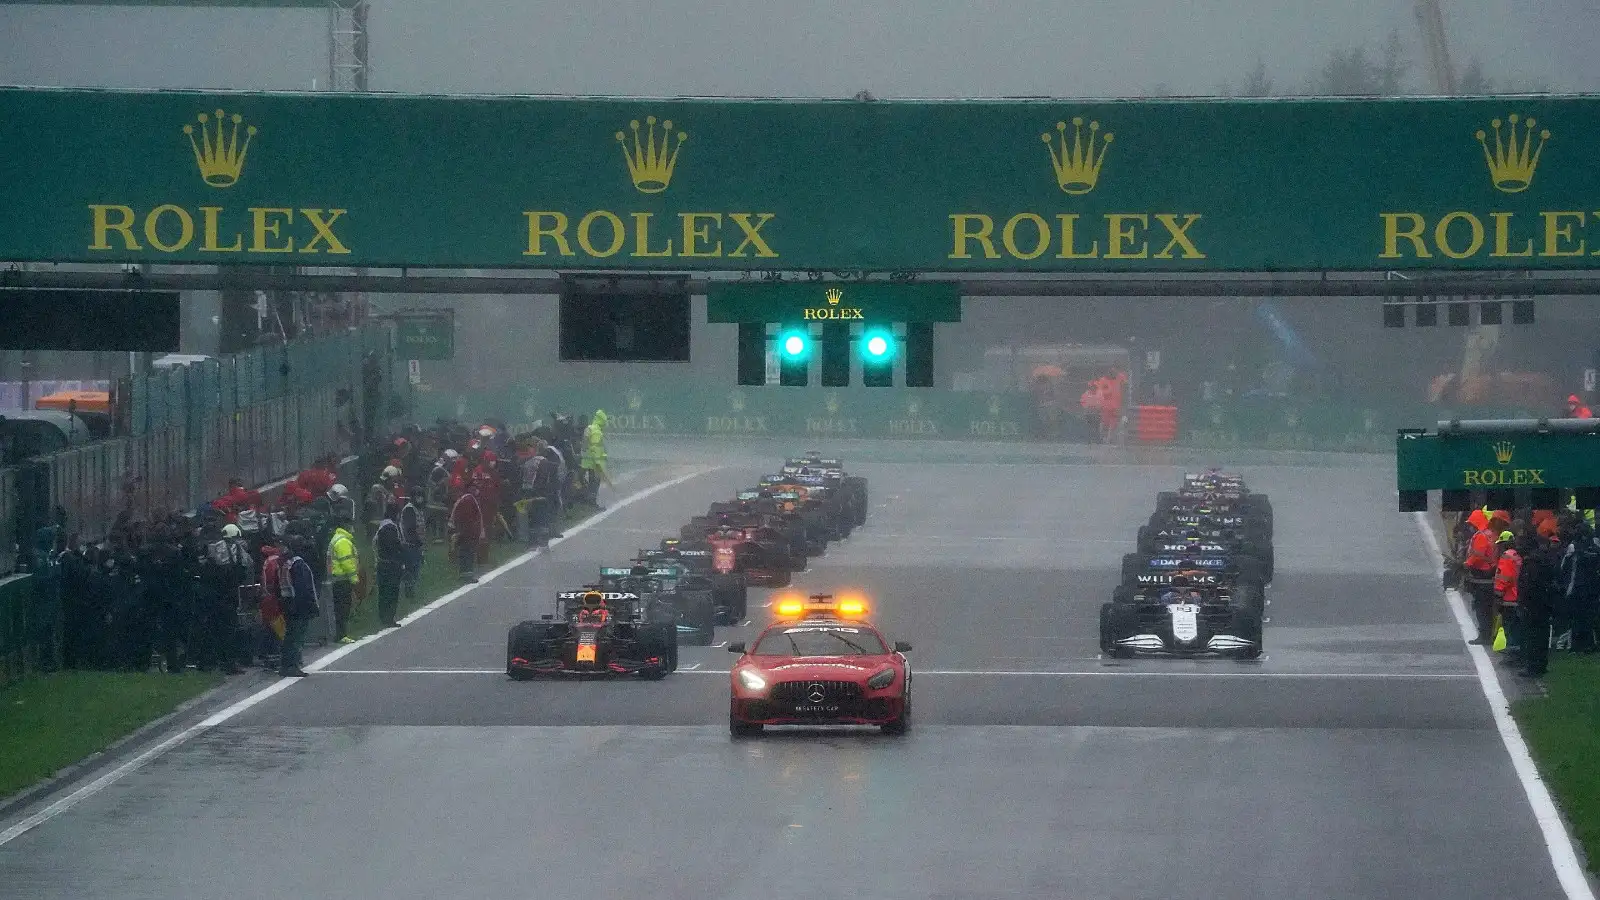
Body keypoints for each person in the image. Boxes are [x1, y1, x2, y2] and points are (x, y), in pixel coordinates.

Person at [1517, 525, 1565, 678]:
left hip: (1533, 604)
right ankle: (1541, 664)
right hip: (1545, 603)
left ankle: (1532, 666)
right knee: (1543, 635)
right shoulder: (1547, 558)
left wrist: (1522, 601)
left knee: (1532, 636)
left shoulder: (1532, 562)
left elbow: (1527, 585)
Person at [1462, 509, 1507, 645]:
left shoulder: (1481, 536)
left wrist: (1465, 564)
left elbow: (1477, 555)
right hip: (1490, 575)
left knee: (1482, 607)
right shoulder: (1493, 535)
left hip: (1482, 576)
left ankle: (1485, 635)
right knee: (1487, 607)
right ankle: (1488, 633)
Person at [278, 539, 320, 677]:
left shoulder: (285, 563)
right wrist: (310, 606)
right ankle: (292, 664)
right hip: (298, 606)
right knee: (296, 636)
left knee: (290, 635)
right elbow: (304, 588)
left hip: (287, 603)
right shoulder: (299, 564)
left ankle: (287, 664)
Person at [1560, 515, 1600, 653]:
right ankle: (1589, 644)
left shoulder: (1573, 546)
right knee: (1589, 617)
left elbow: (1564, 566)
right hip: (1592, 587)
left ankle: (1577, 645)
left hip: (1577, 587)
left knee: (1576, 618)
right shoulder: (1595, 546)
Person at [372, 502, 405, 629]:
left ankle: (384, 617)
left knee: (383, 592)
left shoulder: (383, 525)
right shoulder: (390, 527)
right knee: (391, 592)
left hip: (382, 564)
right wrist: (401, 548)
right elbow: (392, 546)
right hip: (390, 565)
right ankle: (388, 618)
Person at [327, 517, 360, 644]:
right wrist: (354, 578)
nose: (353, 528)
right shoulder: (342, 541)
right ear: (346, 526)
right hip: (342, 580)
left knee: (339, 608)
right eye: (351, 525)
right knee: (343, 609)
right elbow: (346, 561)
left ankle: (340, 634)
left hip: (337, 580)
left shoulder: (337, 538)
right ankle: (341, 635)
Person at [1493, 530, 1522, 664]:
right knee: (1516, 627)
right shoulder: (1518, 556)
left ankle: (1512, 656)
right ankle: (1518, 654)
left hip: (1509, 598)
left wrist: (1498, 594)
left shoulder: (1506, 557)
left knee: (1509, 627)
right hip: (1519, 596)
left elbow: (1503, 577)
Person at [450, 485, 485, 583]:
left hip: (466, 532)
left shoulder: (468, 499)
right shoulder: (468, 500)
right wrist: (469, 532)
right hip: (467, 532)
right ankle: (467, 576)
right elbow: (467, 518)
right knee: (467, 553)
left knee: (466, 553)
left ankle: (464, 575)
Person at [580, 409, 612, 508]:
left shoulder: (591, 429)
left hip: (589, 459)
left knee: (590, 479)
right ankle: (590, 500)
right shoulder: (595, 430)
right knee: (594, 480)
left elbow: (586, 443)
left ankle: (589, 498)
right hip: (594, 460)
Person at [398, 491, 425, 601]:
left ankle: (411, 591)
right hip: (409, 544)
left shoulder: (418, 509)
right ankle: (409, 593)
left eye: (421, 496)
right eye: (417, 496)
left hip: (417, 544)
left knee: (415, 569)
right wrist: (417, 540)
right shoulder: (409, 509)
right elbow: (410, 528)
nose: (420, 498)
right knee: (410, 569)